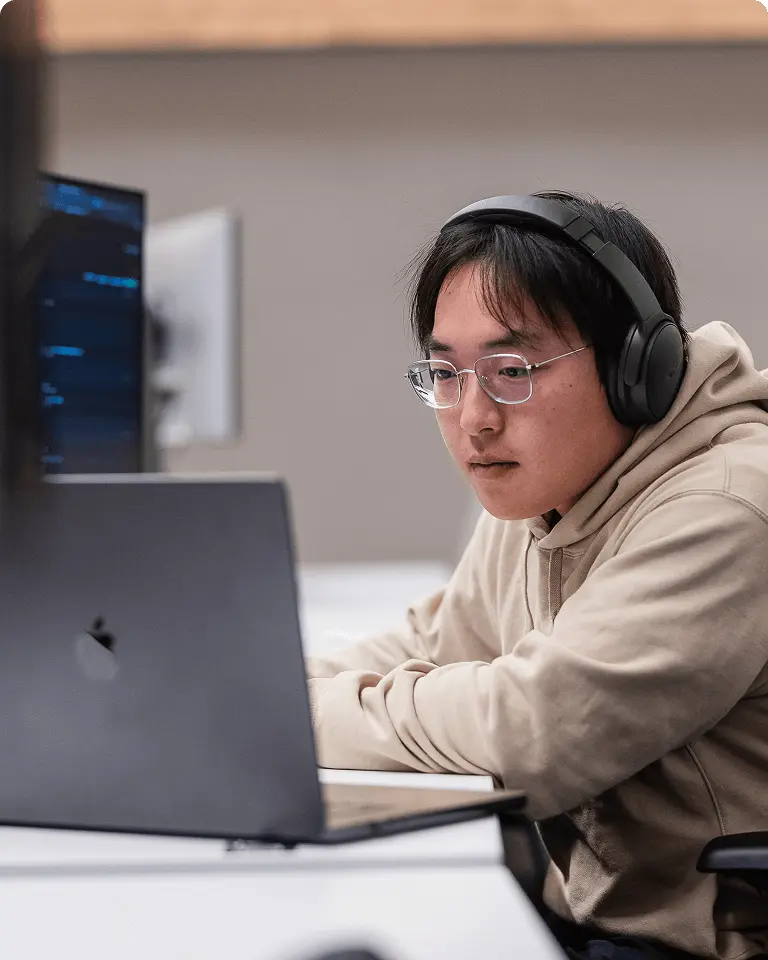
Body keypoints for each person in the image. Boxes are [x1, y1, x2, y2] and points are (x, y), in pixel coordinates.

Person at [306, 190, 768, 960]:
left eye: (512, 369)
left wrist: (300, 719)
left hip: (691, 946)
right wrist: (252, 699)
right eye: (445, 373)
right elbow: (436, 643)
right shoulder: (551, 490)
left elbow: (530, 734)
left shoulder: (727, 508)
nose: (474, 417)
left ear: (634, 366)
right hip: (581, 916)